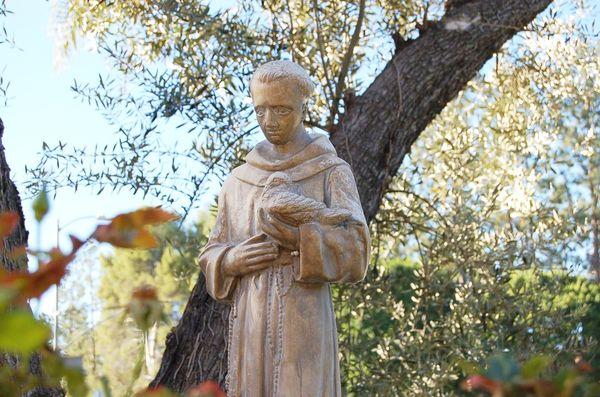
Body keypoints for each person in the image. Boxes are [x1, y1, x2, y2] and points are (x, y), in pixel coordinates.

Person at [198, 60, 370, 397]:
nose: (268, 121)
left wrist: (298, 240)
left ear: (303, 107)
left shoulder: (329, 170)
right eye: (260, 110)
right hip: (250, 315)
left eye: (281, 110)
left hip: (303, 313)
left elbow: (357, 249)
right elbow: (211, 252)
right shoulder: (238, 181)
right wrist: (230, 261)